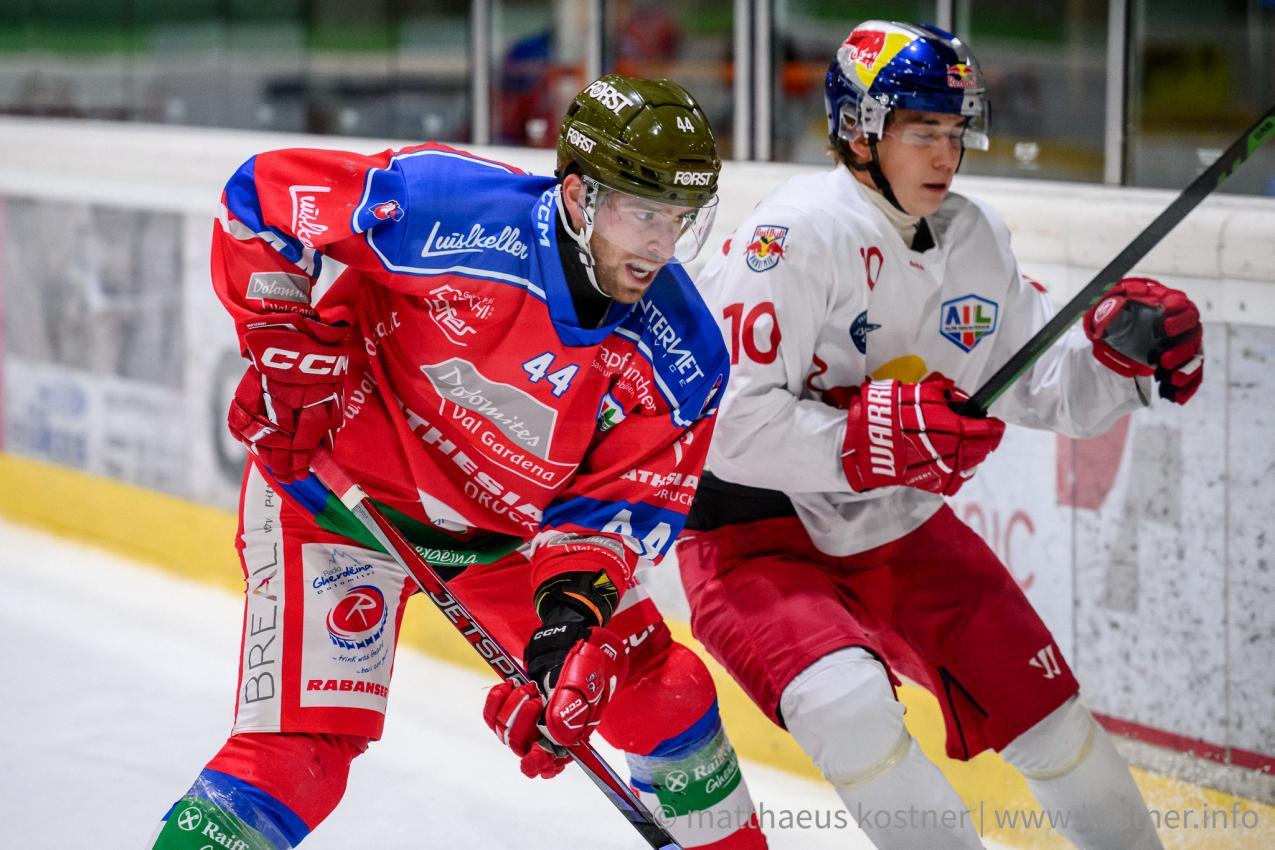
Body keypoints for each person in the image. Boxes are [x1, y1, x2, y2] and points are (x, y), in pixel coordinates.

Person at [149, 74, 767, 850]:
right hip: (335, 496)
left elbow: (608, 515)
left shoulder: (682, 356)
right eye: (641, 214)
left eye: (678, 219)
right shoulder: (444, 208)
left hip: (503, 537)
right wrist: (280, 336)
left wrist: (564, 640)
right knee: (297, 753)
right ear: (577, 198)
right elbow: (265, 199)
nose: (660, 244)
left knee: (662, 693)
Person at [677, 21, 1203, 850]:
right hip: (754, 534)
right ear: (857, 130)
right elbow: (722, 425)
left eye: (954, 133)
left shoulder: (974, 237)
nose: (944, 156)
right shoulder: (790, 238)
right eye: (922, 132)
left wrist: (1120, 362)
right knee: (849, 711)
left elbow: (1036, 381)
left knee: (1053, 722)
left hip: (897, 524)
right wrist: (860, 442)